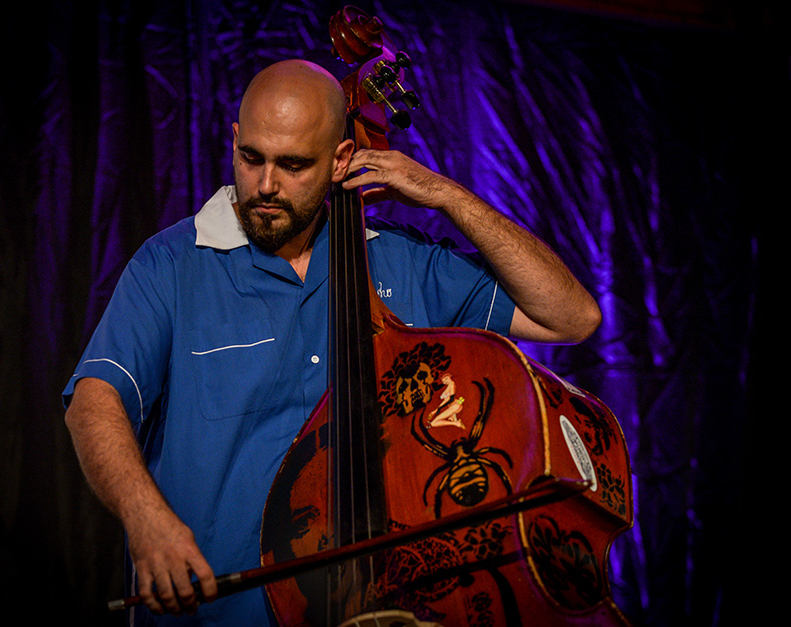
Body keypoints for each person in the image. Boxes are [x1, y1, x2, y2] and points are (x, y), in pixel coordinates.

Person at [63, 59, 601, 626]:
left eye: (293, 165)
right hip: (220, 613)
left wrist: (445, 195)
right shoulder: (171, 264)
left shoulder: (401, 261)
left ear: (341, 159)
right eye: (251, 158)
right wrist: (146, 519)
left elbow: (571, 318)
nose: (265, 185)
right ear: (235, 140)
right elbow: (94, 400)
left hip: (383, 609)